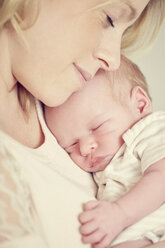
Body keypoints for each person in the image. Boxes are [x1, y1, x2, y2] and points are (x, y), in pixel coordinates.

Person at [0, 0, 165, 247]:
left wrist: (121, 215)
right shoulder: (63, 115)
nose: (114, 59)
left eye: (123, 31)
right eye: (110, 18)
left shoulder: (142, 131)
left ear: (140, 104)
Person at [45, 55, 165, 248]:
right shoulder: (101, 170)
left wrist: (120, 213)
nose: (84, 148)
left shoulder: (150, 130)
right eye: (71, 145)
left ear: (140, 105)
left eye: (97, 127)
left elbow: (161, 178)